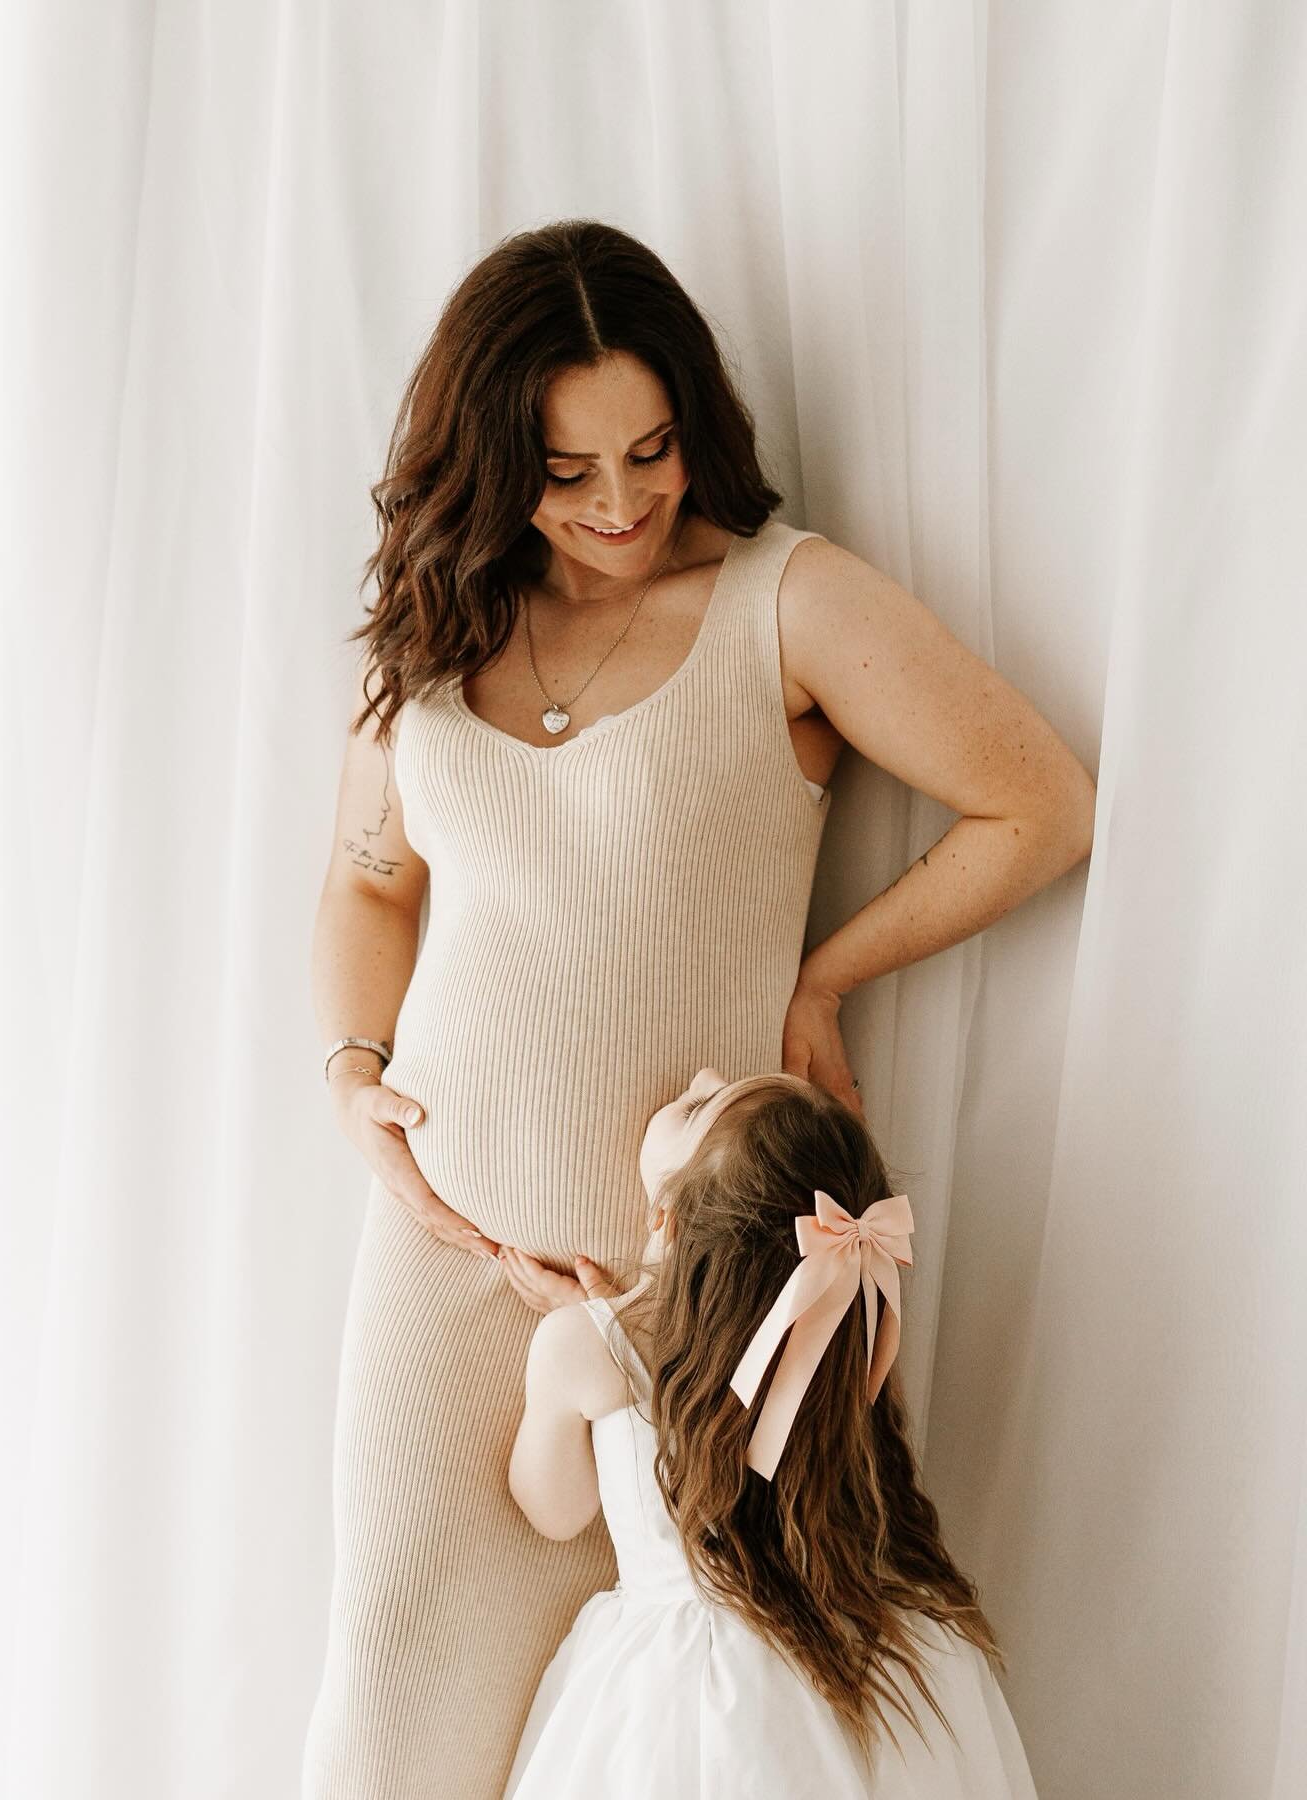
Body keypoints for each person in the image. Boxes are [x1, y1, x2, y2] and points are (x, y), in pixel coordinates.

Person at [300, 218, 1092, 1798]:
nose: (617, 505)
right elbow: (368, 885)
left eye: (649, 451)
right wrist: (351, 1068)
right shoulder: (435, 641)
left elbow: (1039, 807)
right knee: (393, 1691)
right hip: (447, 1271)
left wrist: (826, 971)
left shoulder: (784, 602)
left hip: (704, 1293)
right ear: (488, 462)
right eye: (566, 470)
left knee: (722, 1716)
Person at [500, 1066, 1038, 1799]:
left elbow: (552, 1512)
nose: (704, 1071)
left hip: (676, 1689)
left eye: (694, 1107)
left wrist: (594, 1340)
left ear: (669, 1218)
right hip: (858, 1644)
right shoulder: (844, 1336)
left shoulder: (579, 1348)